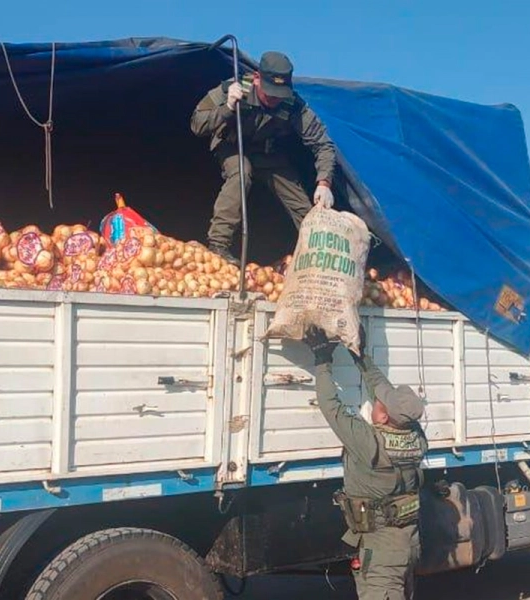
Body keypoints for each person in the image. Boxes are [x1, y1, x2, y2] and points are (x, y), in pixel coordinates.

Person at [303, 326, 428, 600]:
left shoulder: (369, 442)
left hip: (383, 553)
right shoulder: (416, 437)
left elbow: (330, 406)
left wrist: (322, 360)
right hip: (405, 542)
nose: (375, 399)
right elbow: (380, 387)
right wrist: (359, 355)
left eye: (378, 403)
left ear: (383, 417)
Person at [191, 51, 337, 265]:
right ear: (257, 78)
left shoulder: (292, 104)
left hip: (266, 153)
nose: (274, 99)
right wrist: (227, 107)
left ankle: (319, 253)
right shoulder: (237, 87)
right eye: (270, 93)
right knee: (241, 174)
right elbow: (197, 124)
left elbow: (322, 143)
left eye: (279, 94)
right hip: (232, 146)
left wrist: (324, 183)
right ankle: (218, 244)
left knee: (300, 201)